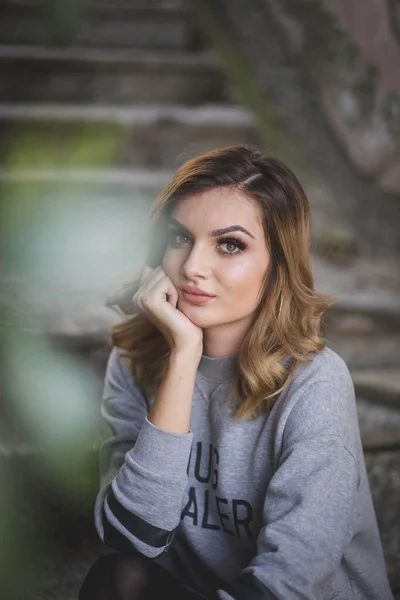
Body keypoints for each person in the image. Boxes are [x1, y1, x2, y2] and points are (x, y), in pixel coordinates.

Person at [78, 145, 393, 600]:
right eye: (180, 237)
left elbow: (291, 579)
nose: (192, 268)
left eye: (230, 245)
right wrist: (183, 357)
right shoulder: (134, 360)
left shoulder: (314, 381)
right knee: (118, 578)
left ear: (277, 265)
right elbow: (132, 536)